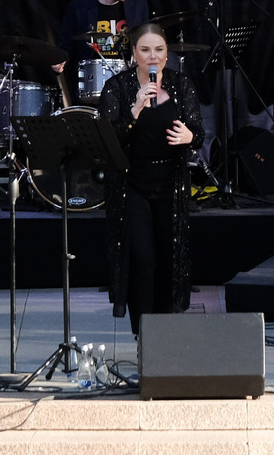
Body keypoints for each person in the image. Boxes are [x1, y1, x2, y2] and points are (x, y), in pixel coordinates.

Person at [98, 21, 203, 332]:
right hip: (132, 184)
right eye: (145, 50)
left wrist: (190, 137)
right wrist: (135, 109)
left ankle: (164, 331)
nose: (153, 56)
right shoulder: (117, 87)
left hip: (171, 183)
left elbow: (198, 132)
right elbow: (108, 140)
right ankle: (143, 331)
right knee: (143, 259)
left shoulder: (182, 85)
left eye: (159, 50)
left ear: (167, 54)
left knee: (169, 258)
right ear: (135, 54)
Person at [57, 0, 150, 66]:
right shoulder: (79, 8)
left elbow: (147, 40)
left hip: (129, 72)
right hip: (94, 73)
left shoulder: (138, 4)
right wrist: (60, 62)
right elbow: (66, 46)